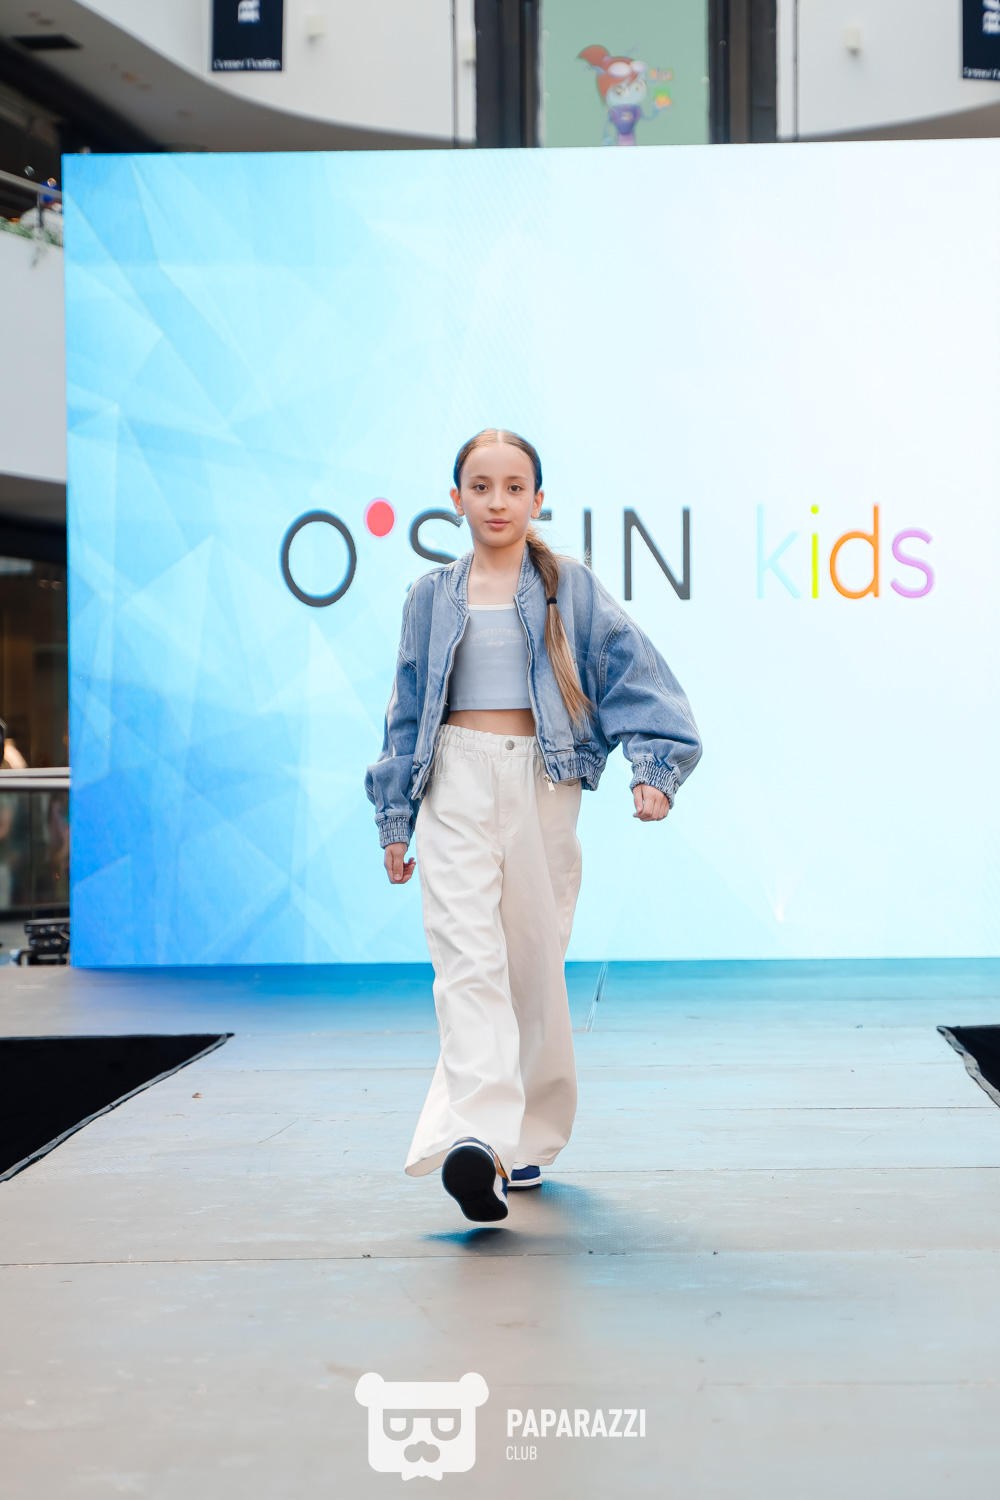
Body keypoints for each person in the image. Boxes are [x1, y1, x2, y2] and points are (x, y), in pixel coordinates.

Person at [365, 429, 701, 1223]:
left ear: (537, 499)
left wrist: (654, 770)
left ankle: (525, 1140)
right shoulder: (429, 596)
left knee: (531, 967)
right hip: (452, 779)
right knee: (465, 959)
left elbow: (635, 675)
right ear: (456, 499)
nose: (498, 502)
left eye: (514, 487)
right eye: (481, 487)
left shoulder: (569, 588)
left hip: (543, 784)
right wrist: (394, 816)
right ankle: (477, 1141)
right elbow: (405, 712)